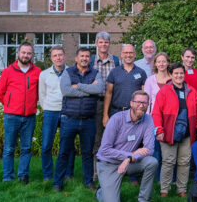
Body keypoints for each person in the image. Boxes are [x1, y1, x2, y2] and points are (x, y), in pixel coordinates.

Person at [54, 47, 105, 192]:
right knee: (63, 152)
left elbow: (99, 89)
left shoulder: (95, 72)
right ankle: (57, 183)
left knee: (87, 153)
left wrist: (80, 86)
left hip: (89, 120)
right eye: (82, 56)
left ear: (90, 59)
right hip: (69, 119)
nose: (84, 58)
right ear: (76, 58)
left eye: (87, 56)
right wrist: (89, 89)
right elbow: (66, 91)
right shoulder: (68, 72)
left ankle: (89, 182)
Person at [152, 62, 197, 197]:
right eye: (176, 73)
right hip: (169, 132)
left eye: (181, 73)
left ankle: (181, 189)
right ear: (171, 74)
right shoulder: (164, 91)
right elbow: (156, 112)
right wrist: (159, 130)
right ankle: (164, 189)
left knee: (184, 161)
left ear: (184, 74)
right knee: (168, 161)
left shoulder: (191, 91)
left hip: (187, 133)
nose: (179, 75)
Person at [95, 91, 158, 202]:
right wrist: (130, 155)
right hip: (108, 163)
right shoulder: (116, 119)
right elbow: (104, 150)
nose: (141, 106)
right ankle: (101, 190)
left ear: (148, 105)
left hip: (129, 162)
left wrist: (129, 158)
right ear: (131, 103)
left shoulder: (148, 120)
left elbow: (149, 149)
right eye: (138, 102)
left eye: (144, 103)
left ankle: (144, 200)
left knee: (152, 162)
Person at [0, 42, 41, 183]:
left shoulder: (37, 72)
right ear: (18, 53)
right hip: (11, 116)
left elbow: (40, 92)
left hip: (30, 116)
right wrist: (10, 105)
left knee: (26, 148)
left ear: (32, 55)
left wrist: (32, 103)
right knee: (9, 148)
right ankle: (7, 177)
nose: (26, 55)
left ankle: (23, 175)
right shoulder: (8, 71)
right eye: (23, 52)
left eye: (29, 53)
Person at [39, 45, 74, 181]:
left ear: (64, 56)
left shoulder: (72, 72)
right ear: (51, 58)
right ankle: (47, 175)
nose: (58, 58)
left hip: (67, 111)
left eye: (60, 55)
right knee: (47, 144)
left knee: (67, 145)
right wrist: (47, 107)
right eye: (55, 55)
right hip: (50, 112)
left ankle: (68, 174)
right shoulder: (44, 74)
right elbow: (41, 95)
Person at [89, 31, 120, 179]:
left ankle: (113, 170)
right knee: (97, 137)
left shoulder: (116, 61)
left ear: (110, 44)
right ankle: (96, 172)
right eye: (100, 42)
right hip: (95, 102)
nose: (103, 45)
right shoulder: (91, 61)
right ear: (96, 44)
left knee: (114, 137)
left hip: (113, 103)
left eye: (106, 42)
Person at [103, 44, 147, 127]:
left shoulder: (141, 72)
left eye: (131, 53)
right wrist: (105, 115)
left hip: (134, 113)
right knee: (115, 139)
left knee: (133, 139)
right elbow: (108, 93)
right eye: (126, 53)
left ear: (135, 54)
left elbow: (144, 95)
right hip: (116, 112)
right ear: (121, 54)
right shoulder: (114, 72)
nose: (128, 55)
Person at [143, 52, 171, 179]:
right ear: (155, 64)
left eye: (163, 61)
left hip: (171, 119)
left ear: (168, 63)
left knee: (170, 151)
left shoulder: (173, 78)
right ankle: (157, 179)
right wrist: (147, 119)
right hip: (154, 120)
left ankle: (170, 178)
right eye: (158, 61)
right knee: (156, 151)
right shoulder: (150, 80)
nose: (161, 64)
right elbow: (146, 102)